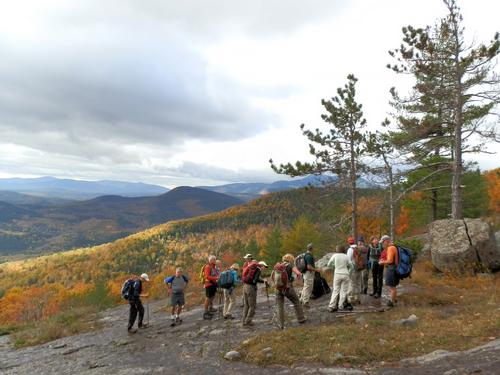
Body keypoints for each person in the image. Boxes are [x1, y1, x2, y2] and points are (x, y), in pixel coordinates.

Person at [276, 254, 307, 329]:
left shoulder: (278, 266)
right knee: (296, 301)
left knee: (280, 306)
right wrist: (296, 278)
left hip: (278, 288)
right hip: (287, 288)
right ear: (290, 259)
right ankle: (301, 318)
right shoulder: (290, 265)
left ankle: (281, 324)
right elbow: (298, 273)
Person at [327, 245, 353, 312]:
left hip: (337, 274)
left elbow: (328, 264)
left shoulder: (335, 255)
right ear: (343, 250)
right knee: (343, 291)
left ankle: (331, 306)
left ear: (337, 249)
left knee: (335, 290)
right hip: (345, 274)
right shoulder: (346, 256)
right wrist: (349, 272)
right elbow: (352, 266)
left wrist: (335, 266)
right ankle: (340, 306)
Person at [241, 258, 266, 326]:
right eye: (265, 266)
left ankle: (244, 321)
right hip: (251, 288)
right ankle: (248, 321)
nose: (265, 268)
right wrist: (263, 281)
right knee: (252, 305)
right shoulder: (258, 270)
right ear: (262, 265)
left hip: (245, 286)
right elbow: (255, 280)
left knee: (246, 305)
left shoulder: (250, 268)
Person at [378, 235, 399, 307]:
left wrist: (382, 262)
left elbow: (390, 260)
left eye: (383, 242)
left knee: (392, 287)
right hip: (394, 268)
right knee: (393, 286)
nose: (382, 244)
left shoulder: (390, 248)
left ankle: (391, 302)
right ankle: (394, 299)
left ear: (386, 241)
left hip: (391, 269)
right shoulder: (394, 247)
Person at [300, 243, 320, 308]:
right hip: (309, 273)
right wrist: (316, 270)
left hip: (306, 273)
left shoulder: (305, 255)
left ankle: (301, 299)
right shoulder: (308, 256)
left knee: (306, 286)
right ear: (312, 248)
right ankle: (305, 302)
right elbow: (309, 267)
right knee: (308, 287)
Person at [202, 255, 219, 319]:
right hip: (208, 284)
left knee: (212, 296)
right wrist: (216, 278)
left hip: (213, 284)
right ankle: (205, 312)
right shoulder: (207, 267)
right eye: (214, 260)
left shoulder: (213, 267)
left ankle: (210, 309)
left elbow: (215, 274)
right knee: (208, 298)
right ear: (211, 260)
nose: (215, 261)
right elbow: (207, 276)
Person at [346, 236, 362, 305]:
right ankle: (358, 298)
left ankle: (351, 299)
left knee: (352, 283)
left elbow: (348, 260)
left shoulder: (350, 249)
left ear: (348, 242)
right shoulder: (358, 248)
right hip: (359, 267)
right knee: (358, 283)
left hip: (353, 269)